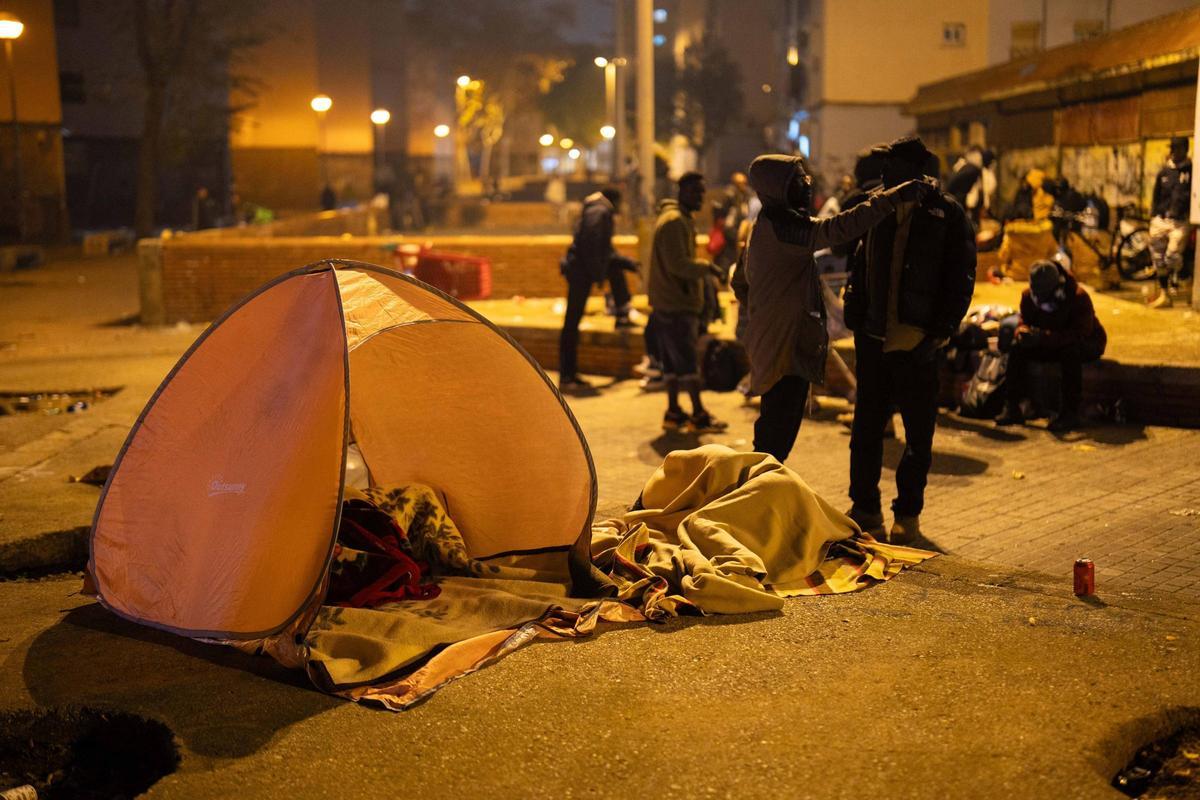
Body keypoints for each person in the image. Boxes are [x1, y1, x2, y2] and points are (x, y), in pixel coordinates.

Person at [732, 153, 934, 465]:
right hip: (782, 350)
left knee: (775, 431)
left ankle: (757, 497)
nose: (807, 185)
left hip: (777, 342)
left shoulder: (770, 224)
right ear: (777, 186)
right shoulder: (784, 227)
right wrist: (892, 198)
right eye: (798, 180)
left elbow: (739, 282)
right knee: (774, 441)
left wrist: (767, 309)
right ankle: (751, 499)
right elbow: (838, 229)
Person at [843, 136, 976, 542]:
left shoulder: (945, 213)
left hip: (917, 344)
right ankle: (865, 509)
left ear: (915, 169)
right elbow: (856, 262)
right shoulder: (873, 207)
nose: (884, 174)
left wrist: (940, 333)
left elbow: (961, 277)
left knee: (918, 437)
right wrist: (855, 310)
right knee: (866, 431)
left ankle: (908, 515)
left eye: (893, 166)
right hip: (873, 339)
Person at [648, 172, 728, 433]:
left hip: (668, 303)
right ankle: (698, 415)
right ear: (681, 192)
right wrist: (709, 268)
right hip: (677, 304)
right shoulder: (674, 222)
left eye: (702, 193)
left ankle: (673, 413)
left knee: (672, 365)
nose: (700, 198)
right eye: (696, 192)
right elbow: (678, 265)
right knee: (687, 363)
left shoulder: (675, 219)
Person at [996, 260, 1106, 432]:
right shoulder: (1028, 296)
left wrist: (1043, 337)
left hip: (1084, 344)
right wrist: (1023, 332)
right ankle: (1012, 407)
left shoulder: (1077, 297)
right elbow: (1023, 321)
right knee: (1017, 348)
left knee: (1070, 354)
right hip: (1048, 341)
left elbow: (1080, 333)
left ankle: (1070, 413)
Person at [558, 187, 636, 392]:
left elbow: (602, 248)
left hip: (580, 270)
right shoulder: (601, 212)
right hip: (580, 272)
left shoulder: (595, 209)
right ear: (615, 200)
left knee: (571, 323)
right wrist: (597, 273)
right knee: (571, 323)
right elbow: (593, 245)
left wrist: (622, 263)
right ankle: (567, 375)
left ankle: (569, 373)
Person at [1147, 136, 1192, 309]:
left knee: (1172, 255)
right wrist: (1154, 216)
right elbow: (1156, 195)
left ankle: (1184, 277)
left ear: (1185, 150)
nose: (1173, 152)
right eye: (1172, 148)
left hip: (1180, 221)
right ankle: (1165, 295)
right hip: (1160, 220)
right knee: (1158, 259)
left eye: (1177, 148)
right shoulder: (1164, 172)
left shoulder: (1191, 171)